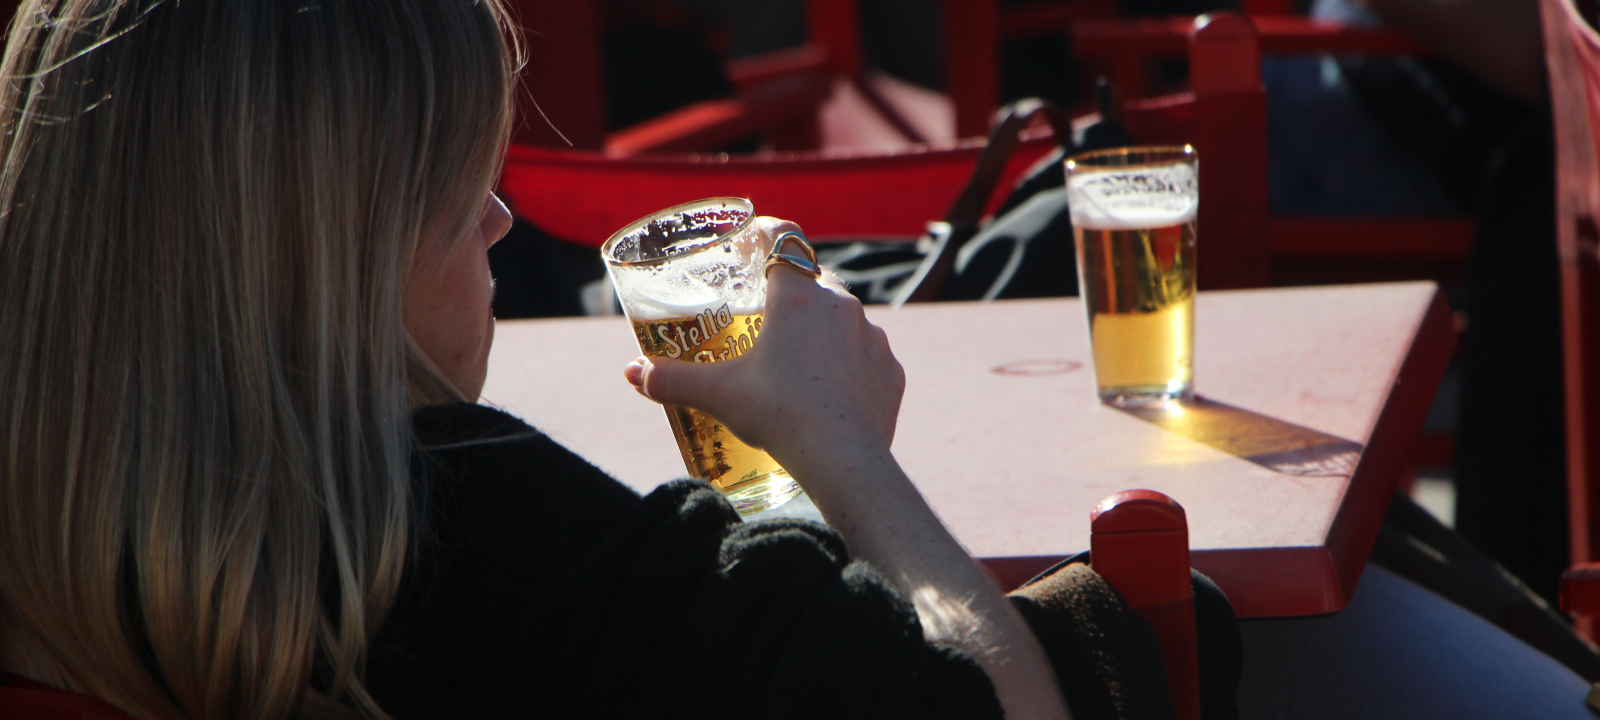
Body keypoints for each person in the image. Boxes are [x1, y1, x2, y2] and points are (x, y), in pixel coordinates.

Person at [0, 1, 1103, 718]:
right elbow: (1005, 704)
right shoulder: (476, 540)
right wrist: (841, 443)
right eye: (454, 199)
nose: (498, 221)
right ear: (328, 265)